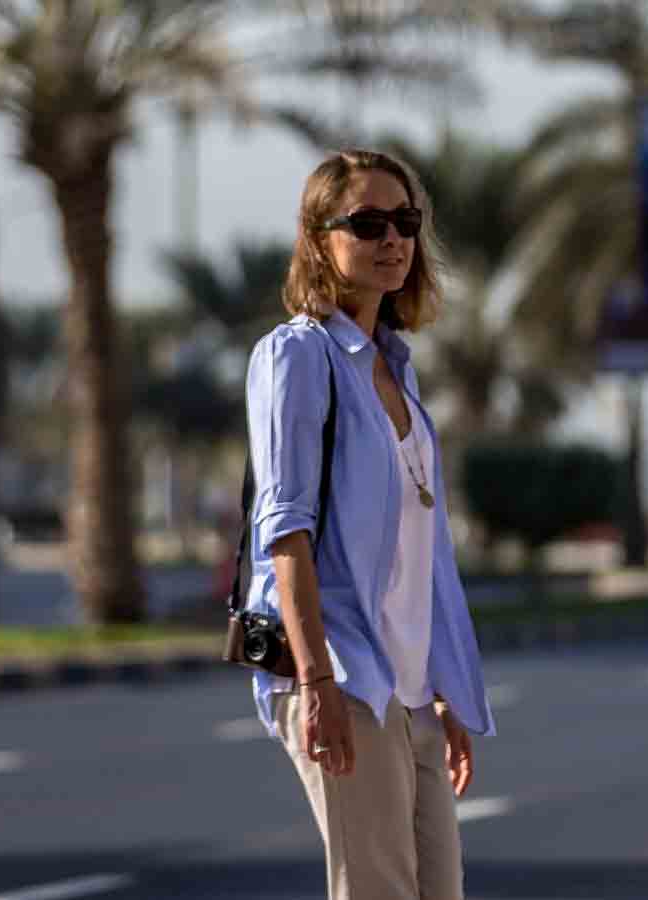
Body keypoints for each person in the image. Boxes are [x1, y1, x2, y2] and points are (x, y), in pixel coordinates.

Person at [242, 148, 495, 900]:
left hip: (408, 685)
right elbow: (284, 531)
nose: (393, 239)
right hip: (344, 671)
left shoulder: (397, 367)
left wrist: (442, 688)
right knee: (378, 890)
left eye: (406, 221)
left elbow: (423, 552)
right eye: (368, 222)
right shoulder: (297, 356)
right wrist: (316, 678)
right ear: (320, 238)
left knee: (437, 891)